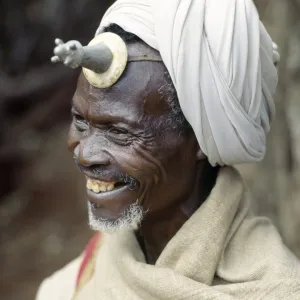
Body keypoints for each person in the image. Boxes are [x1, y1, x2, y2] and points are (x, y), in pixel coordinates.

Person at [36, 0, 300, 299]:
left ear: (200, 139)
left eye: (119, 132)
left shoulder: (279, 291)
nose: (85, 154)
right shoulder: (72, 284)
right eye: (81, 122)